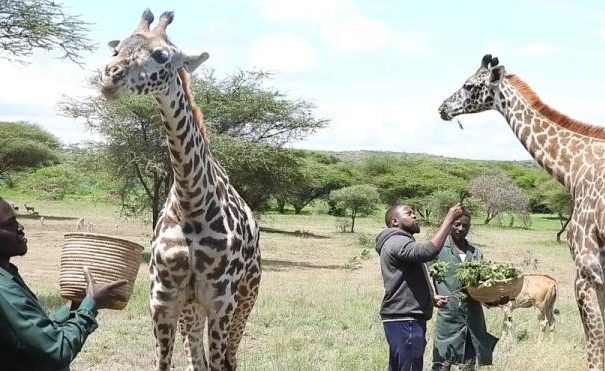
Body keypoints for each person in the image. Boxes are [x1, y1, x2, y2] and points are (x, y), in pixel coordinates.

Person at [0, 198, 128, 371]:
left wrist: (77, 304)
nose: (21, 228)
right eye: (10, 224)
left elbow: (39, 332)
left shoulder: (8, 274)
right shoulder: (4, 289)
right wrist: (90, 305)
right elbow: (58, 350)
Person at [375, 203, 464, 371]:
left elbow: (405, 280)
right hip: (405, 319)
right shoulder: (397, 240)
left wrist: (429, 298)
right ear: (395, 221)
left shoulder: (397, 241)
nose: (414, 216)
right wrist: (449, 219)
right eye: (408, 213)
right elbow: (427, 253)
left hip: (401, 317)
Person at [430, 209, 498, 371]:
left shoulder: (476, 254)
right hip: (448, 317)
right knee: (442, 364)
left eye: (465, 226)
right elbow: (425, 278)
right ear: (449, 225)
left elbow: (483, 286)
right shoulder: (438, 251)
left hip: (473, 319)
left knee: (469, 364)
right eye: (456, 224)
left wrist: (495, 299)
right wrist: (432, 296)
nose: (461, 228)